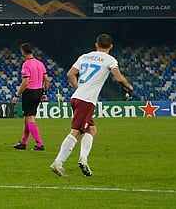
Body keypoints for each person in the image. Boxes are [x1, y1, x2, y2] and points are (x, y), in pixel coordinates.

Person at [50, 33, 133, 178]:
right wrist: (129, 87)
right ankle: (58, 162)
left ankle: (83, 159)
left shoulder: (85, 57)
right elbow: (118, 77)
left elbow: (70, 74)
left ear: (96, 44)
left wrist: (78, 88)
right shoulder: (110, 60)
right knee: (76, 132)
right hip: (86, 100)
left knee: (91, 129)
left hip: (77, 97)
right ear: (111, 46)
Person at [12, 43, 50, 151]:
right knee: (27, 118)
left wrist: (17, 95)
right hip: (38, 91)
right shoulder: (40, 64)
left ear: (23, 52)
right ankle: (23, 143)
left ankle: (39, 144)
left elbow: (25, 82)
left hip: (29, 92)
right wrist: (44, 93)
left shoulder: (26, 65)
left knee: (30, 118)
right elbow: (47, 80)